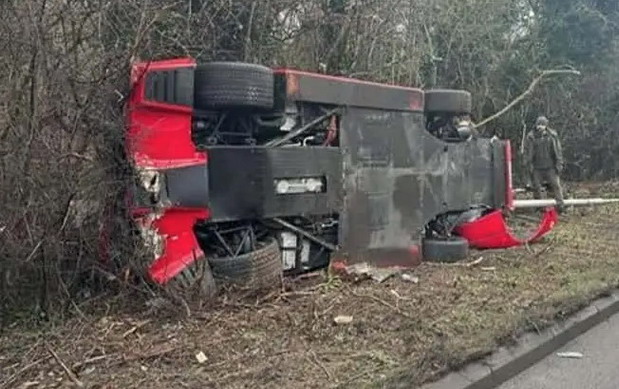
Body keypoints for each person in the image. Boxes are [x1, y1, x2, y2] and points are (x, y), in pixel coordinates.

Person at [524, 116, 565, 212]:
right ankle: (541, 208)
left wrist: (559, 164)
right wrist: (528, 165)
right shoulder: (531, 137)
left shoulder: (552, 136)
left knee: (556, 186)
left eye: (542, 125)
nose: (540, 127)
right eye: (539, 124)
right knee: (537, 188)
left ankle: (560, 206)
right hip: (536, 168)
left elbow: (558, 151)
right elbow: (527, 153)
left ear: (546, 126)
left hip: (550, 167)